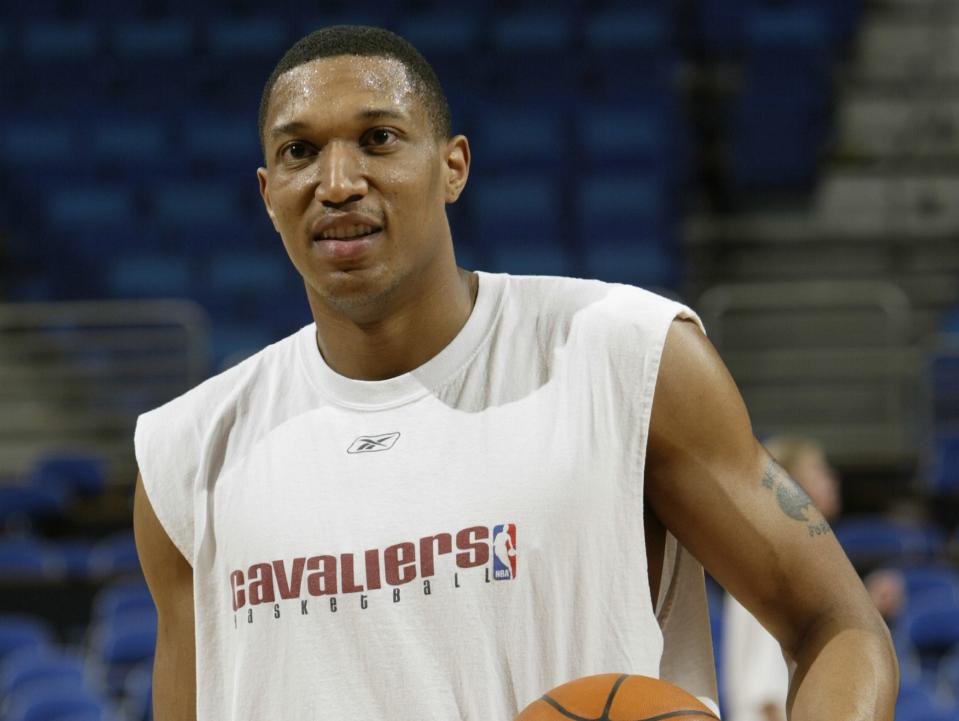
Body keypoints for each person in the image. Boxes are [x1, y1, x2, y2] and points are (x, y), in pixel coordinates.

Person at [132, 25, 898, 721]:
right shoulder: (187, 452)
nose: (337, 181)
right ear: (268, 194)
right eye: (299, 151)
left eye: (378, 138)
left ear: (452, 166)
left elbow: (837, 624)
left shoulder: (624, 356)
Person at [721, 436, 842, 721]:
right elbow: (767, 696)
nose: (832, 478)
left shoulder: (781, 559)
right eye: (819, 471)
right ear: (792, 488)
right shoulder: (777, 567)